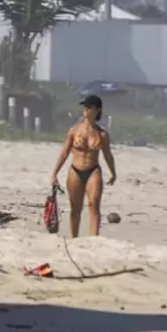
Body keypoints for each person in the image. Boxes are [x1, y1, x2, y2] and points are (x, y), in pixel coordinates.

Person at [49, 95, 117, 238]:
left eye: (89, 107)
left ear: (97, 110)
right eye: (84, 106)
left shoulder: (102, 134)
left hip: (93, 170)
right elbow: (64, 153)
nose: (85, 109)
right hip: (75, 170)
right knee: (75, 208)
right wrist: (55, 173)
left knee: (94, 203)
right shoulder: (74, 130)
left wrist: (113, 173)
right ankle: (74, 238)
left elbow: (107, 155)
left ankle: (94, 238)